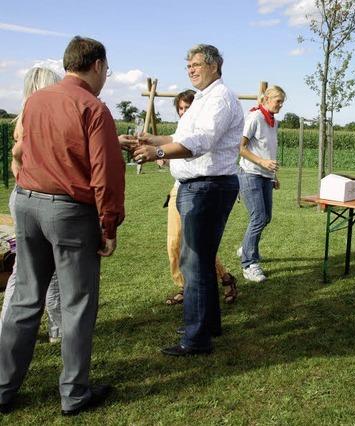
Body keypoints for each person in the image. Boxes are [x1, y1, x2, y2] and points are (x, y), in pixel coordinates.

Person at [0, 36, 125, 416]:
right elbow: (106, 174)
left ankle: (3, 388)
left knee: (24, 297)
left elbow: (21, 150)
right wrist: (109, 225)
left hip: (26, 202)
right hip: (69, 210)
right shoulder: (93, 107)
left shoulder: (36, 101)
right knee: (76, 304)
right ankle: (73, 393)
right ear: (98, 66)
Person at [133, 44, 243, 357]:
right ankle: (209, 327)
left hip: (208, 187)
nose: (191, 70)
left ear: (215, 65)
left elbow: (200, 142)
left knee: (193, 264)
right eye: (188, 66)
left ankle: (196, 340)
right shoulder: (203, 100)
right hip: (198, 186)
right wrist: (150, 140)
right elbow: (180, 138)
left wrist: (157, 153)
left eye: (196, 64)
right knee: (201, 262)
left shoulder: (220, 98)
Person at [1, 67, 63, 344]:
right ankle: (58, 330)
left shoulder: (25, 115)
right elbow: (20, 151)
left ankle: (10, 328)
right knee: (46, 270)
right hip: (37, 198)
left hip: (23, 195)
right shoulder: (38, 117)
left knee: (26, 268)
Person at [162, 90, 238, 306]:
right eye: (181, 109)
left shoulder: (204, 129)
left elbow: (198, 154)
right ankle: (189, 285)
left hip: (199, 189)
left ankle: (216, 282)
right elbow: (177, 155)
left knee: (196, 246)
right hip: (179, 188)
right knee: (175, 243)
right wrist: (163, 155)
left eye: (188, 108)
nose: (184, 112)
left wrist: (160, 152)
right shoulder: (182, 129)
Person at [237, 85, 286, 282]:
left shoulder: (273, 122)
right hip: (250, 173)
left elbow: (269, 150)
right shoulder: (255, 117)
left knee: (266, 218)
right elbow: (240, 147)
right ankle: (249, 263)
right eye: (278, 101)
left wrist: (272, 174)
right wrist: (262, 162)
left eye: (282, 102)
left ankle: (246, 248)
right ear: (266, 99)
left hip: (266, 176)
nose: (281, 105)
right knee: (258, 217)